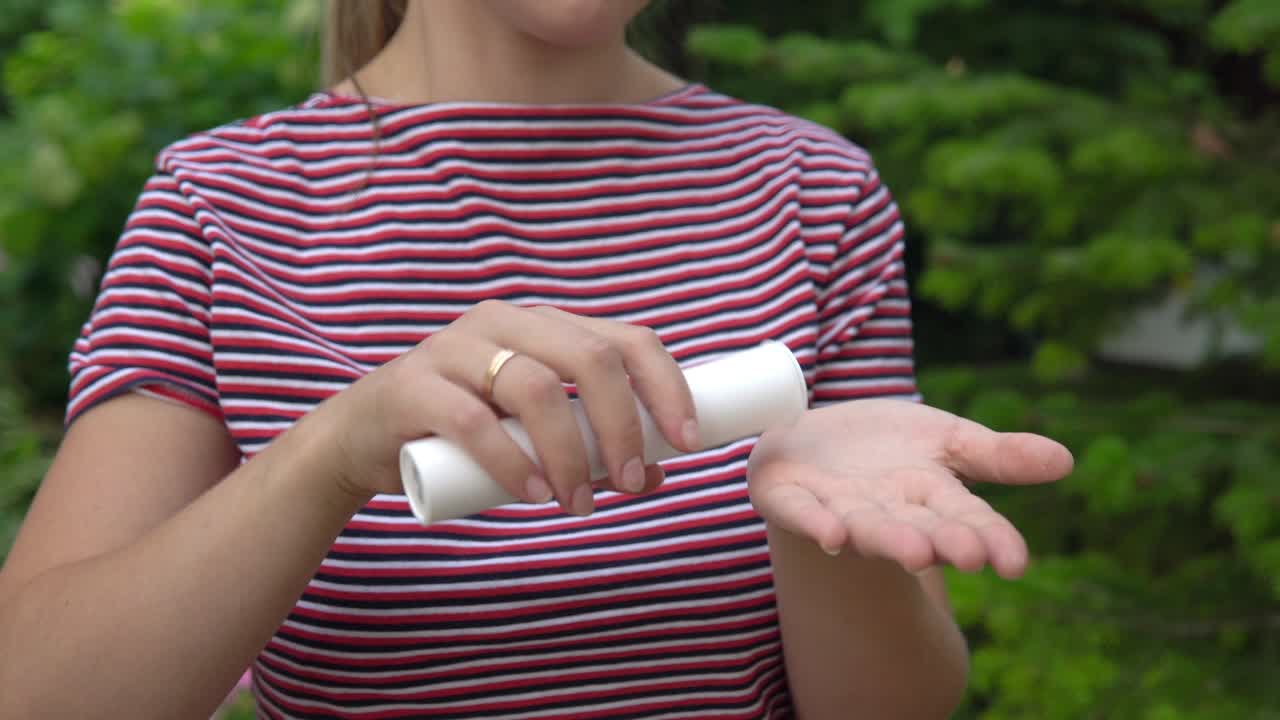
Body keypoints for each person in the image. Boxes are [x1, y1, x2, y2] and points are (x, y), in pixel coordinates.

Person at [0, 1, 1073, 718]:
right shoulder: (220, 208)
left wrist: (823, 534)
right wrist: (329, 455)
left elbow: (889, 708)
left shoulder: (810, 192)